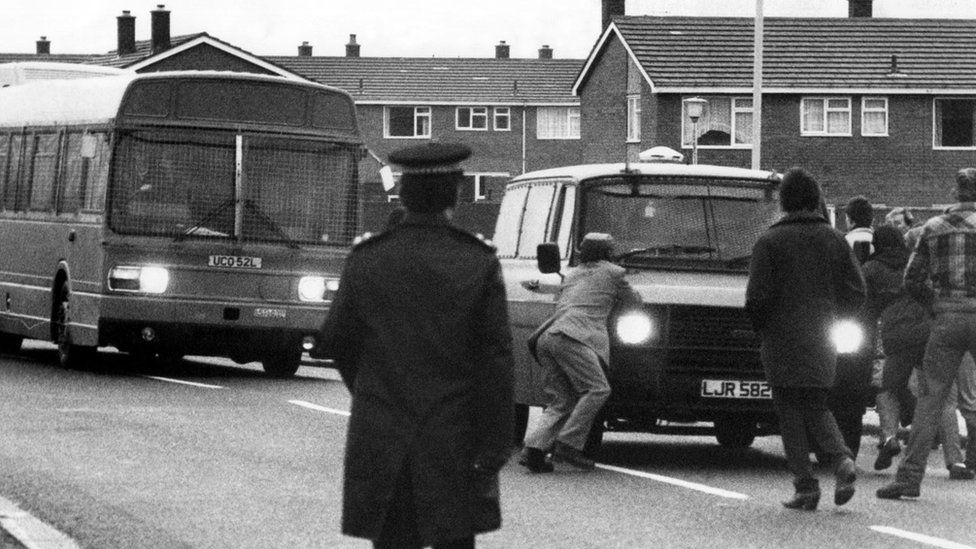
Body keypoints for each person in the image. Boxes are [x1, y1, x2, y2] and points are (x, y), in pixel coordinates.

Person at [314, 142, 515, 548]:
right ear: (455, 193)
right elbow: (495, 360)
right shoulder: (477, 261)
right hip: (453, 436)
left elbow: (337, 339)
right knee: (454, 539)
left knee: (391, 540)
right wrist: (494, 443)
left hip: (382, 432)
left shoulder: (368, 257)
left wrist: (373, 389)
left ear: (403, 193)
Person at [746, 167, 865, 510]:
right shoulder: (835, 240)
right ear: (815, 200)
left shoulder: (769, 241)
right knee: (816, 403)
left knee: (788, 410)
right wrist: (836, 319)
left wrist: (762, 329)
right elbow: (857, 292)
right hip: (822, 334)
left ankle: (806, 486)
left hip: (780, 336)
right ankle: (842, 460)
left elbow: (757, 298)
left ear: (783, 201)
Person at [878, 168, 976, 500]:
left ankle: (908, 479)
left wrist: (935, 304)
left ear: (956, 192)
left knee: (930, 399)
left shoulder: (932, 229)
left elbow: (911, 280)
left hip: (946, 317)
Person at [518, 232, 642, 472]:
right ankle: (568, 445)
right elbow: (634, 302)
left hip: (548, 337)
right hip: (575, 337)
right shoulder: (614, 272)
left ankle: (533, 450)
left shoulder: (573, 273)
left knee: (562, 400)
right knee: (598, 388)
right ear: (608, 252)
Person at [862, 226, 930, 471]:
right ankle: (916, 424)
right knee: (921, 385)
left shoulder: (870, 268)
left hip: (889, 330)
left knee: (885, 385)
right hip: (921, 326)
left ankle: (889, 437)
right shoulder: (912, 262)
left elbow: (863, 303)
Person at [844, 195, 874, 263]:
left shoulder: (844, 243)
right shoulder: (879, 242)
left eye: (846, 218)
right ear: (872, 220)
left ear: (851, 221)